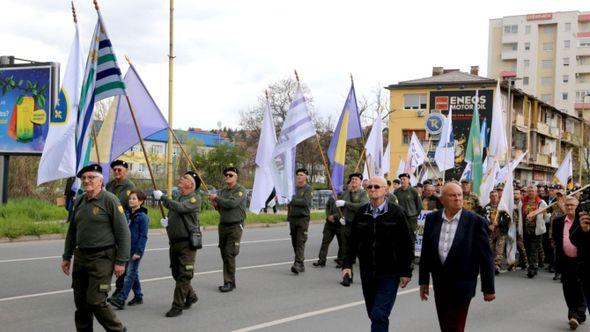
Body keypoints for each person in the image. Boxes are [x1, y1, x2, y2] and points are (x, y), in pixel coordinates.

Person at [61, 164, 130, 332]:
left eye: (91, 177)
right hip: (81, 257)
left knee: (96, 301)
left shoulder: (110, 200)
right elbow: (72, 231)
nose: (86, 181)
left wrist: (121, 261)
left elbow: (124, 233)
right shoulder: (80, 201)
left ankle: (118, 330)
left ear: (101, 180)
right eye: (84, 178)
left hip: (102, 258)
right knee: (81, 304)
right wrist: (66, 256)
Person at [419, 182, 495, 332]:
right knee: (445, 325)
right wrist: (424, 281)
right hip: (440, 283)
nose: (457, 198)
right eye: (452, 195)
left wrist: (488, 288)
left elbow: (486, 257)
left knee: (455, 326)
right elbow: (426, 252)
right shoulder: (432, 219)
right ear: (442, 200)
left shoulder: (475, 221)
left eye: (459, 195)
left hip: (463, 284)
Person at [341, 176, 413, 332]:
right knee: (373, 313)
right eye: (370, 187)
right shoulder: (361, 213)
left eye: (376, 187)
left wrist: (406, 271)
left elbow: (406, 244)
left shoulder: (396, 213)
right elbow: (352, 242)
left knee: (379, 314)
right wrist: (347, 265)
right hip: (367, 272)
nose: (372, 189)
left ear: (385, 190)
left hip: (389, 272)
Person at [153, 171, 201, 317]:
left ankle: (177, 306)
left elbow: (180, 208)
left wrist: (163, 198)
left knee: (184, 275)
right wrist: (167, 222)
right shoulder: (179, 197)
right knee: (177, 273)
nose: (181, 178)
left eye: (185, 178)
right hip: (174, 242)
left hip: (187, 243)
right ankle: (191, 295)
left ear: (191, 184)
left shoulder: (194, 198)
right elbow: (175, 211)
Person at [208, 166, 247, 292]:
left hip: (235, 226)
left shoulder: (240, 190)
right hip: (223, 225)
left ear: (236, 177)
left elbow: (231, 204)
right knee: (224, 253)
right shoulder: (223, 191)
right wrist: (216, 205)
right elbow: (222, 208)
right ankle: (229, 280)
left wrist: (216, 199)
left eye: (230, 175)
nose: (227, 177)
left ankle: (229, 282)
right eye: (226, 175)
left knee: (230, 253)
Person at [110, 190, 149, 310]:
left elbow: (143, 236)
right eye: (130, 198)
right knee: (133, 273)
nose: (131, 200)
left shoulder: (142, 217)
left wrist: (139, 252)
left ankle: (121, 299)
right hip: (126, 249)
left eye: (134, 199)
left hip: (135, 250)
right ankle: (138, 296)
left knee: (129, 274)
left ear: (141, 201)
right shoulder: (127, 214)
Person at [553, 197, 586, 330]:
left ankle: (577, 314)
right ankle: (573, 313)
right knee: (568, 288)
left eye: (572, 205)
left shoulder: (583, 221)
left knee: (580, 288)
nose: (569, 208)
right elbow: (556, 241)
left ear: (577, 206)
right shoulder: (558, 222)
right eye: (567, 205)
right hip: (565, 260)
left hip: (581, 261)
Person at [106, 160, 136, 302]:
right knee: (130, 265)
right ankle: (139, 294)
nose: (117, 172)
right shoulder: (110, 185)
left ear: (126, 171)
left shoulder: (130, 186)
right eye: (115, 170)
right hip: (109, 224)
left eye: (120, 170)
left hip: (124, 223)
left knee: (122, 258)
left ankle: (119, 291)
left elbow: (127, 203)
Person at [287, 168, 313, 274]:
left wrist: (291, 200)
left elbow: (305, 202)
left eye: (301, 175)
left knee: (300, 241)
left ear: (306, 176)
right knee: (294, 242)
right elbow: (288, 202)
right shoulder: (293, 189)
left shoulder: (308, 189)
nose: (299, 176)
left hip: (303, 219)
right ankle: (300, 263)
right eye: (298, 174)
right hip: (293, 218)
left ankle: (297, 263)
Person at [522, 185, 549, 278]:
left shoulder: (541, 202)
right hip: (526, 231)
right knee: (528, 249)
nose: (530, 192)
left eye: (532, 191)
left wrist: (541, 218)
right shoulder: (523, 202)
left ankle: (532, 268)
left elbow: (546, 217)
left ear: (536, 192)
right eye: (529, 191)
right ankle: (533, 265)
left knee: (533, 249)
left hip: (536, 231)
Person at [483, 190, 511, 274]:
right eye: (492, 196)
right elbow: (483, 218)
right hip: (490, 232)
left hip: (501, 231)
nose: (494, 198)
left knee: (499, 249)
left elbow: (507, 219)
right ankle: (490, 264)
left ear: (498, 197)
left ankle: (497, 266)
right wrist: (488, 225)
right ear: (489, 197)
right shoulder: (487, 207)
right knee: (490, 248)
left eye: (496, 196)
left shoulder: (502, 207)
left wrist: (499, 223)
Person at [313, 194, 343, 267]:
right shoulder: (332, 196)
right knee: (325, 242)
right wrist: (328, 216)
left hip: (339, 224)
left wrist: (334, 216)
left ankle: (341, 261)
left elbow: (345, 210)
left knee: (342, 244)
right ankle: (321, 260)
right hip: (329, 224)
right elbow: (327, 207)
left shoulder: (345, 196)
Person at [394, 173, 422, 242]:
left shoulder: (414, 191)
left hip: (411, 219)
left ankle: (411, 252)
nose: (402, 181)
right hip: (400, 218)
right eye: (401, 179)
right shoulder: (396, 191)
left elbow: (419, 205)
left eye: (404, 179)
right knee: (400, 236)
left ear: (408, 180)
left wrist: (414, 215)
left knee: (411, 237)